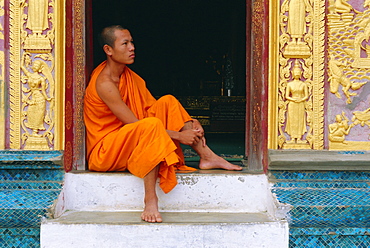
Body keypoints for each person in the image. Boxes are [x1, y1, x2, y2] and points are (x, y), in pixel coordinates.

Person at [83, 25, 242, 223]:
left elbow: (152, 107)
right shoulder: (104, 83)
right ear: (108, 50)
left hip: (129, 139)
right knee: (150, 126)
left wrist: (192, 121)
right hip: (106, 152)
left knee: (168, 101)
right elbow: (137, 124)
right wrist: (179, 136)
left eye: (132, 42)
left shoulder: (130, 77)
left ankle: (207, 156)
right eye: (125, 44)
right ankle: (150, 199)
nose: (132, 47)